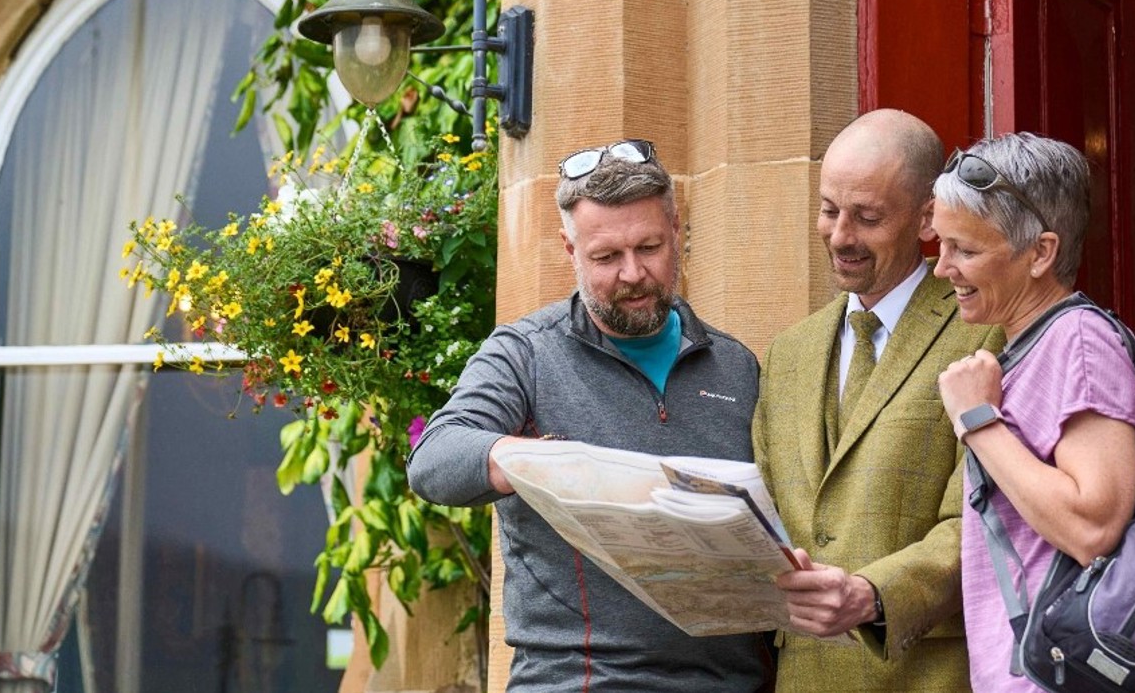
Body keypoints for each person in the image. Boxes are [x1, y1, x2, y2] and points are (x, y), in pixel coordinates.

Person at [407, 139, 769, 692]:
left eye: (649, 246)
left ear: (677, 230)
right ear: (569, 249)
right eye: (605, 257)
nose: (632, 274)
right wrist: (533, 460)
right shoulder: (524, 355)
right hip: (579, 683)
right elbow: (433, 460)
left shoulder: (737, 367)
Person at [754, 109, 1002, 692]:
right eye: (828, 209)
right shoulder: (787, 352)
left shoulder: (986, 333)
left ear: (927, 218)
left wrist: (870, 595)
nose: (840, 236)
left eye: (867, 217)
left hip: (931, 678)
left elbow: (989, 522)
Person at [930, 132, 1135, 692]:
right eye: (943, 246)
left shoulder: (1078, 341)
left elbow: (1092, 525)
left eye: (965, 250)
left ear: (1041, 253)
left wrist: (978, 420)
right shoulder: (1027, 347)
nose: (941, 269)